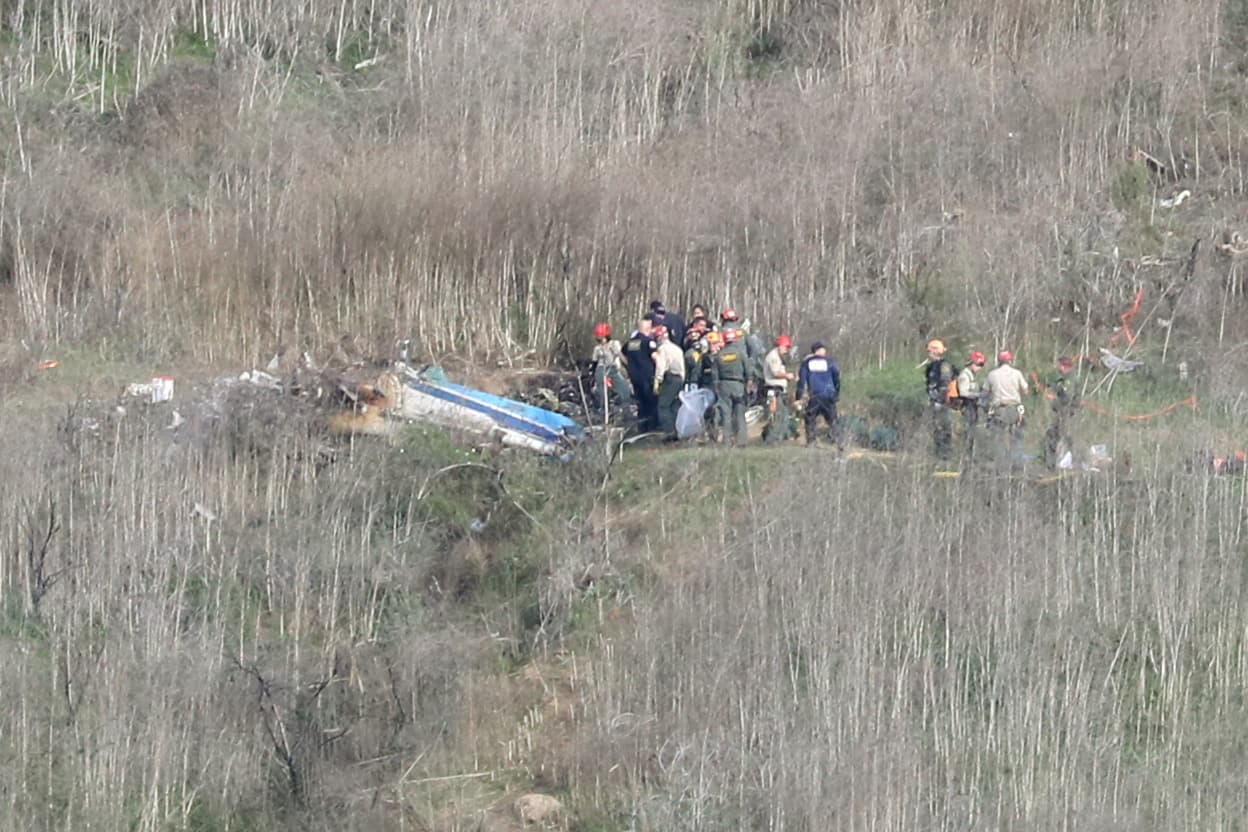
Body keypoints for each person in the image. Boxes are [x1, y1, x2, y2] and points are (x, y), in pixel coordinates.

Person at [709, 327, 752, 445]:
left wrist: (717, 387)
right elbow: (748, 370)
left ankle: (727, 441)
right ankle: (741, 441)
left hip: (724, 386)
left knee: (725, 414)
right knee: (739, 413)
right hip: (738, 385)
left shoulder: (719, 355)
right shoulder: (741, 353)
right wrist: (749, 382)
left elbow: (714, 374)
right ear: (735, 339)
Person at [796, 341, 842, 448]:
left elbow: (801, 382)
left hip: (814, 395)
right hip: (828, 394)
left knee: (810, 418)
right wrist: (837, 393)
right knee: (832, 419)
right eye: (823, 349)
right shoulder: (830, 362)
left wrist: (798, 396)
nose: (825, 351)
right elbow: (837, 379)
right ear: (820, 350)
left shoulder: (806, 363)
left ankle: (811, 441)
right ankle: (837, 441)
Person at [983, 350, 1030, 447]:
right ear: (1010, 361)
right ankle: (1016, 459)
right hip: (1015, 409)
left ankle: (1000, 459)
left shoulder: (992, 374)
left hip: (999, 410)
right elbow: (1026, 391)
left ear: (999, 361)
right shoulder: (1017, 373)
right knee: (1017, 438)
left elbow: (985, 392)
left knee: (998, 438)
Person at [590, 322, 633, 420]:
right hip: (601, 370)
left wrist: (629, 366)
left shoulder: (614, 344)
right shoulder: (597, 349)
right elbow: (594, 363)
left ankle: (626, 413)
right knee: (603, 394)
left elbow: (621, 356)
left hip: (612, 369)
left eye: (603, 337)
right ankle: (605, 414)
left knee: (624, 390)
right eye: (599, 338)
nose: (601, 340)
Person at [623, 315, 659, 432]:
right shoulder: (648, 342)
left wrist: (628, 366)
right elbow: (655, 357)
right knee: (651, 402)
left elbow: (622, 354)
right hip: (647, 377)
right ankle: (651, 428)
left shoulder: (630, 343)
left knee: (640, 403)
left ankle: (641, 427)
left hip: (635, 377)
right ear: (647, 329)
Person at [1044, 356, 1080, 467]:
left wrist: (1055, 399)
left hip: (1066, 413)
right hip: (1063, 412)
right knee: (1054, 435)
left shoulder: (1069, 379)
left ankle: (1065, 462)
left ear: (1063, 366)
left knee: (1062, 436)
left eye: (1059, 365)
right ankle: (1056, 461)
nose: (1057, 367)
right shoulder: (1064, 378)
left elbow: (1067, 397)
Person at [924, 339, 957, 459]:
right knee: (936, 429)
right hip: (934, 402)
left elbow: (945, 385)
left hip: (943, 404)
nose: (928, 354)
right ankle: (938, 452)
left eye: (930, 351)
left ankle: (945, 454)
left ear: (936, 351)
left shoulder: (944, 366)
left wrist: (940, 400)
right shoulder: (931, 367)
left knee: (944, 428)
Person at [652, 325, 686, 438]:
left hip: (669, 378)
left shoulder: (662, 350)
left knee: (663, 406)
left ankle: (669, 432)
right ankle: (678, 431)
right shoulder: (677, 349)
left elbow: (661, 367)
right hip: (679, 379)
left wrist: (657, 382)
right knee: (674, 405)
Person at [762, 335, 797, 443]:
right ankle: (772, 438)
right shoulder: (774, 357)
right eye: (786, 347)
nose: (787, 350)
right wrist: (787, 376)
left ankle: (779, 436)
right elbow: (775, 373)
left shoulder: (777, 357)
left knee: (782, 414)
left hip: (779, 390)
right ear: (780, 346)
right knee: (776, 415)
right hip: (774, 390)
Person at [956, 351, 986, 460]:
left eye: (982, 365)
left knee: (972, 432)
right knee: (968, 432)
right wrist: (978, 395)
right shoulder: (965, 375)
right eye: (979, 364)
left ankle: (970, 455)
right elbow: (963, 393)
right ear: (971, 363)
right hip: (967, 408)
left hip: (973, 408)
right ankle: (966, 457)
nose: (980, 367)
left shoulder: (972, 376)